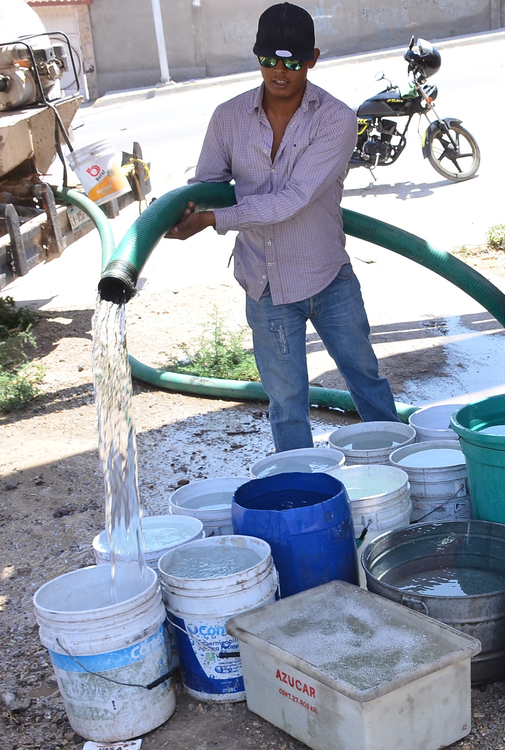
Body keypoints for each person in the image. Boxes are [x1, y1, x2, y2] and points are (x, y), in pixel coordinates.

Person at [165, 2, 399, 452]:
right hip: (265, 283)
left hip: (327, 277)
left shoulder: (335, 119)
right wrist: (184, 207)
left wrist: (213, 219)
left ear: (312, 59)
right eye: (269, 60)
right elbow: (207, 184)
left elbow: (293, 199)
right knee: (287, 402)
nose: (279, 72)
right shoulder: (228, 117)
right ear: (257, 57)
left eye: (292, 63)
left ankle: (399, 465)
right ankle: (299, 486)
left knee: (366, 381)